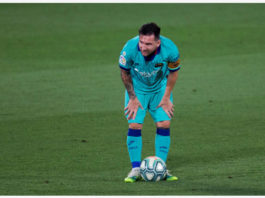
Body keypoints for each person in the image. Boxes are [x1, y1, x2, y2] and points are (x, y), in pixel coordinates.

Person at [119, 22, 181, 183]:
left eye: (148, 44)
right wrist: (132, 98)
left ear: (157, 43)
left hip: (159, 89)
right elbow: (124, 73)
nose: (143, 47)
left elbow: (174, 73)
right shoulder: (130, 49)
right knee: (134, 125)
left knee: (164, 123)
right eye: (141, 42)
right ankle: (135, 169)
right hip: (138, 90)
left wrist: (166, 98)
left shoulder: (170, 50)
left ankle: (161, 167)